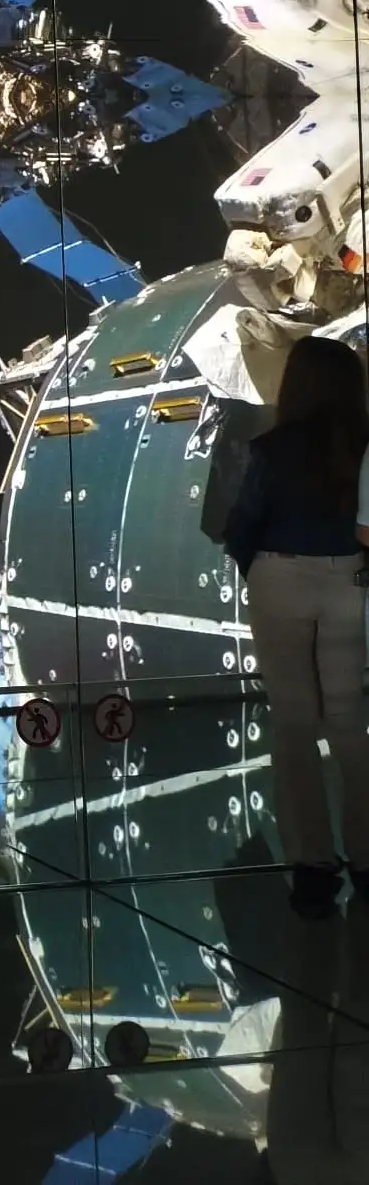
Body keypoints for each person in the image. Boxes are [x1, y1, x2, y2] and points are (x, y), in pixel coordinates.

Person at [224, 335, 369, 915]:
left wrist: (258, 570)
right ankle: (366, 859)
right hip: (350, 581)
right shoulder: (362, 446)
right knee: (349, 722)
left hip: (279, 577)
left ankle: (312, 868)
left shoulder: (270, 448)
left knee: (294, 723)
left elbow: (242, 525)